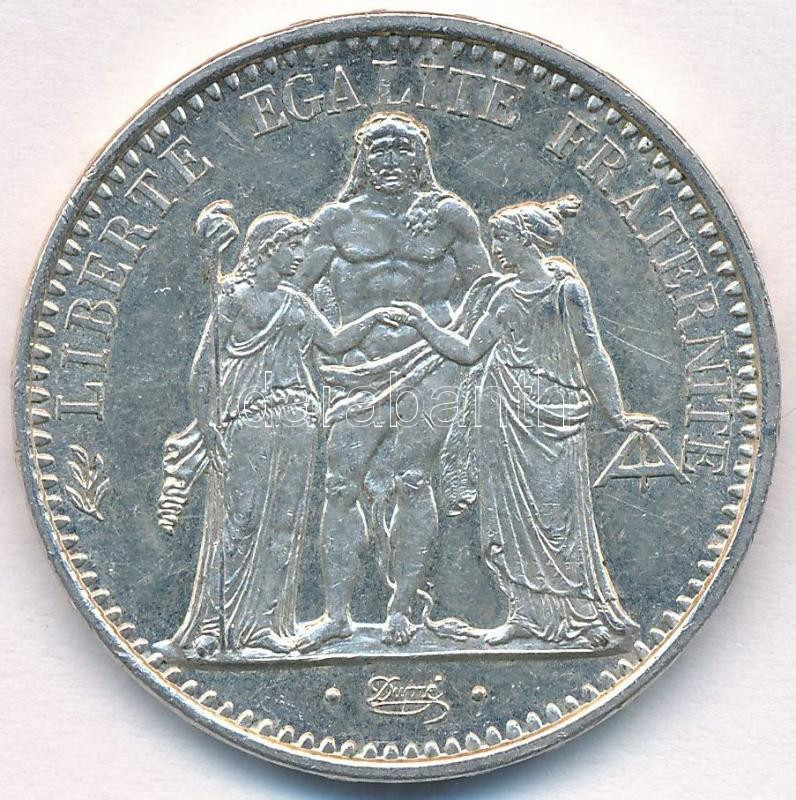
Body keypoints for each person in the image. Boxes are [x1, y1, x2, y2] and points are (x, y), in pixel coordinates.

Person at [390, 195, 661, 647]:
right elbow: (468, 351)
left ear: (528, 239)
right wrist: (422, 323)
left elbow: (592, 353)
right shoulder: (503, 294)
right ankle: (524, 616)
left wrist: (617, 414)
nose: (496, 248)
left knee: (559, 518)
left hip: (556, 411)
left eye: (502, 238)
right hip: (504, 410)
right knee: (507, 518)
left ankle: (581, 615)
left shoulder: (566, 290)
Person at [154, 212, 395, 659]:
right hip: (249, 417)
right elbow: (205, 368)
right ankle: (214, 626)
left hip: (297, 419)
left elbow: (334, 342)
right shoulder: (233, 296)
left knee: (285, 525)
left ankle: (264, 625)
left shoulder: (296, 301)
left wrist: (377, 318)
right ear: (268, 248)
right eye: (292, 246)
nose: (300, 255)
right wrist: (208, 428)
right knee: (239, 522)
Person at [293, 111, 492, 649]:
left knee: (413, 481)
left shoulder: (450, 216)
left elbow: (486, 291)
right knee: (341, 485)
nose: (390, 160)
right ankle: (336, 614)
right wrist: (330, 339)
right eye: (379, 150)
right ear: (362, 160)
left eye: (402, 149)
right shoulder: (336, 221)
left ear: (420, 159)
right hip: (356, 367)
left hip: (430, 364)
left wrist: (452, 340)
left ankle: (400, 610)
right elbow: (295, 293)